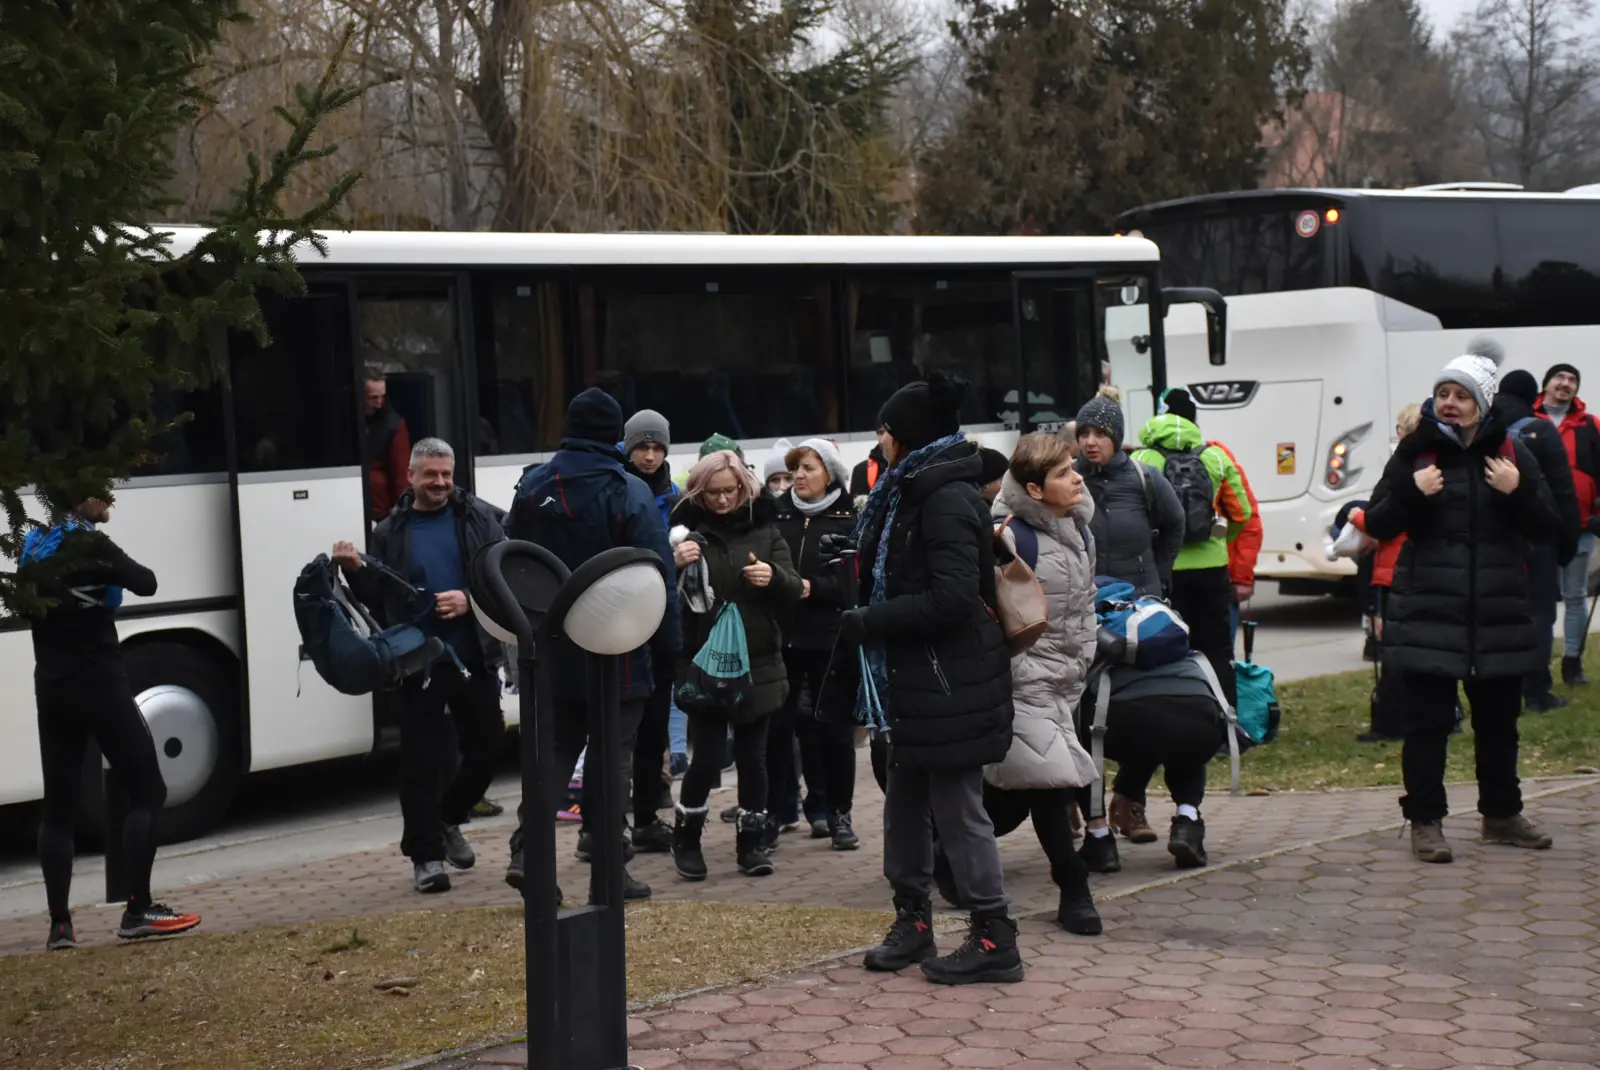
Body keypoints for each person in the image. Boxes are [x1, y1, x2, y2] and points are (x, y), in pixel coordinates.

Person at [843, 372, 1022, 987]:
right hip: (914, 681)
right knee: (904, 806)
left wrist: (872, 619)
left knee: (958, 811)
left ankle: (994, 936)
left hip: (949, 682)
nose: (880, 442)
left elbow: (953, 597)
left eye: (886, 431)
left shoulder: (942, 497)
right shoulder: (909, 491)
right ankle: (913, 921)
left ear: (907, 436)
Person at [1363, 352, 1559, 863]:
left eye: (1462, 395)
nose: (1450, 403)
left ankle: (1502, 815)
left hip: (1497, 610)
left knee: (1499, 725)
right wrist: (1412, 493)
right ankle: (1425, 822)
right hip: (1428, 610)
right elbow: (1377, 524)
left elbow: (1549, 527)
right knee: (1427, 726)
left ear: (1483, 403)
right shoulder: (1415, 452)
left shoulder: (1513, 453)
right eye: (1443, 393)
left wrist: (1517, 492)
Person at [504, 389, 680, 901]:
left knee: (554, 756)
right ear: (614, 437)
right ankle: (608, 871)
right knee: (611, 762)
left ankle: (528, 856)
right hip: (616, 650)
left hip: (552, 647)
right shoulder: (628, 492)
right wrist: (671, 650)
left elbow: (512, 558)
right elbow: (657, 578)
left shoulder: (533, 485)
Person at [23, 489, 201, 950]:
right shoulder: (91, 543)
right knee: (149, 790)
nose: (110, 499)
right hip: (100, 683)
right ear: (80, 496)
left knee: (58, 808)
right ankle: (138, 910)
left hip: (52, 687)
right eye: (101, 490)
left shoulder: (33, 543)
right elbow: (146, 583)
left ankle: (60, 926)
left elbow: (27, 606)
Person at [335, 438, 506, 895]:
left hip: (473, 655)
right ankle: (426, 857)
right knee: (421, 762)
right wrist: (354, 569)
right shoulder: (390, 531)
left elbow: (503, 575)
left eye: (446, 474)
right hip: (418, 662)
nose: (440, 482)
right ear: (411, 476)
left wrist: (469, 600)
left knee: (488, 747)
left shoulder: (478, 517)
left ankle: (447, 818)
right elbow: (376, 598)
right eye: (431, 475)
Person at [982, 433, 1102, 935]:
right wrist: (1015, 670)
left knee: (1018, 792)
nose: (1077, 478)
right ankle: (1074, 889)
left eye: (1074, 468)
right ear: (1034, 489)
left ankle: (946, 852)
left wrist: (1085, 657)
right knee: (1050, 783)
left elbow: (1085, 606)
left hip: (1065, 682)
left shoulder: (1080, 532)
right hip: (1023, 680)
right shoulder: (1010, 537)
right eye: (1063, 473)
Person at [669, 450, 804, 879]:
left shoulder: (766, 530)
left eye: (730, 491)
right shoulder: (684, 535)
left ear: (744, 488)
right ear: (699, 493)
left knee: (753, 758)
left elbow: (793, 586)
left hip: (758, 659)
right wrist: (673, 566)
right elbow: (659, 597)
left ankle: (752, 843)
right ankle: (686, 838)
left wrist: (772, 576)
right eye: (713, 493)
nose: (723, 499)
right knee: (708, 758)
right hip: (704, 661)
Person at [1132, 388, 1252, 705]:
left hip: (1166, 569)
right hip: (1212, 569)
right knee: (1218, 649)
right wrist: (1219, 540)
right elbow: (1242, 513)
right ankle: (1226, 718)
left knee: (1170, 647)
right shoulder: (1216, 457)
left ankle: (1183, 714)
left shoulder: (1142, 460)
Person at [771, 438, 861, 851]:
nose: (799, 476)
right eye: (795, 469)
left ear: (830, 473)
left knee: (835, 730)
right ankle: (774, 813)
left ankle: (839, 813)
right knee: (777, 729)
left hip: (830, 637)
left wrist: (812, 587)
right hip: (782, 638)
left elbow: (853, 582)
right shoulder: (777, 513)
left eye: (808, 468)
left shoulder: (849, 517)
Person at [1497, 366, 1581, 712]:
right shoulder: (1541, 430)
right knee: (1539, 615)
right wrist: (1568, 540)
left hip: (1497, 540)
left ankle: (1504, 688)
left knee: (1503, 615)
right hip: (1539, 539)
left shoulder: (1486, 428)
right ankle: (1536, 693)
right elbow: (1563, 490)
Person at [620, 409, 685, 853]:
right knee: (618, 727)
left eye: (655, 446)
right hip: (623, 618)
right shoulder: (617, 489)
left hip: (663, 619)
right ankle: (600, 825)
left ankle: (646, 816)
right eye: (641, 447)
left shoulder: (678, 499)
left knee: (654, 725)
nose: (648, 455)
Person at [1073, 395, 1183, 599]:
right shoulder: (1067, 478)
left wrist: (1160, 573)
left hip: (1139, 596)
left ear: (1116, 437)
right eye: (1084, 434)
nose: (1090, 442)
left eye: (1100, 434)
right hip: (1085, 599)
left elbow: (1175, 523)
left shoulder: (1145, 477)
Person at [1535, 362, 1600, 685]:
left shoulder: (1591, 425)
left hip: (1582, 527)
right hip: (1539, 528)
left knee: (1575, 596)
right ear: (1546, 384)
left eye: (1572, 379)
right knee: (1541, 599)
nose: (1565, 383)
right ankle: (1538, 665)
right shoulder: (1529, 421)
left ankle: (1572, 663)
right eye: (1559, 377)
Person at [363, 370, 412, 527]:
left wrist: (401, 509)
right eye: (373, 397)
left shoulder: (393, 424)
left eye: (382, 396)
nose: (379, 402)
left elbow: (400, 471)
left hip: (380, 508)